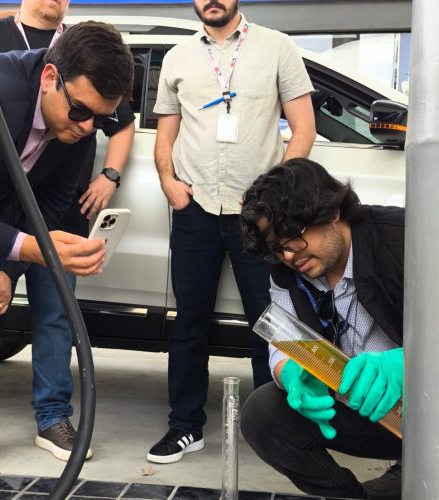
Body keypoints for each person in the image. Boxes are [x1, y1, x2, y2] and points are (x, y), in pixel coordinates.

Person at [0, 20, 134, 473]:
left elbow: (45, 205)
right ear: (49, 77)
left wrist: (4, 271)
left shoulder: (79, 124)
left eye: (102, 120)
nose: (87, 127)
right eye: (80, 111)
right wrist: (27, 249)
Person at [148, 0, 316, 464]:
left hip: (258, 214)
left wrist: (273, 198)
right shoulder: (178, 56)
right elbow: (165, 134)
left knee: (271, 323)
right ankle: (185, 426)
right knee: (188, 322)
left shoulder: (278, 48)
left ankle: (275, 432)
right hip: (195, 208)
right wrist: (168, 181)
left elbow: (304, 129)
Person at [239, 158, 403, 499]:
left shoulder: (404, 239)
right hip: (373, 413)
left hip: (427, 404)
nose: (288, 256)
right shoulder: (287, 271)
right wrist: (292, 375)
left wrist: (410, 365)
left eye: (293, 238)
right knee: (263, 414)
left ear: (332, 212)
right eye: (276, 249)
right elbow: (282, 343)